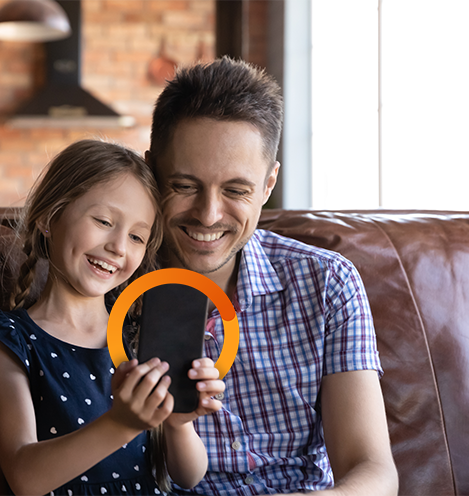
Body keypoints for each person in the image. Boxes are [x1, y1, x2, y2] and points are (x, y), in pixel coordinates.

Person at [144, 57, 398, 495]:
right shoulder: (107, 287)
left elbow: (372, 471)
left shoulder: (327, 283)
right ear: (151, 172)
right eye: (185, 186)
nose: (208, 214)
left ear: (268, 185)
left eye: (236, 190)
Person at [0, 139, 226, 496]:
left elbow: (188, 476)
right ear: (48, 217)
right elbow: (24, 478)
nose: (119, 247)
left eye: (137, 237)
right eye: (104, 221)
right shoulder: (9, 337)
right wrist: (122, 423)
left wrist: (179, 424)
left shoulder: (141, 337)